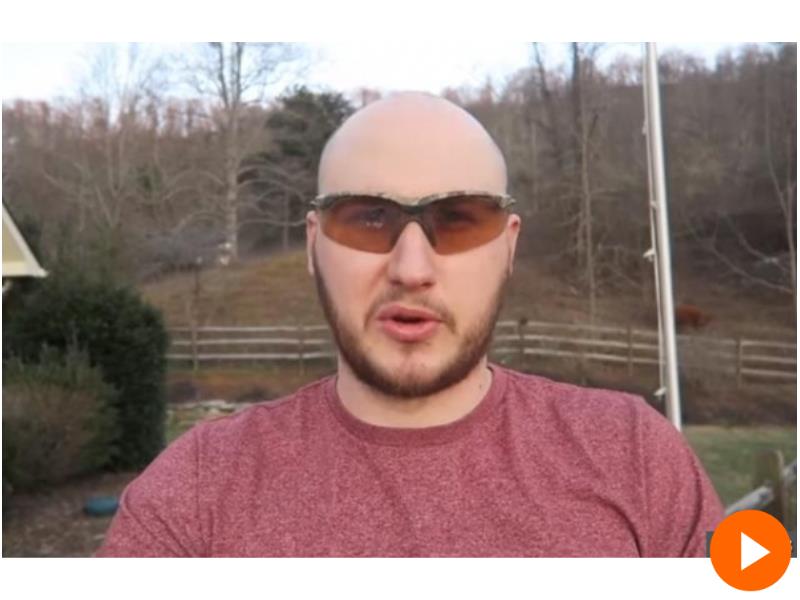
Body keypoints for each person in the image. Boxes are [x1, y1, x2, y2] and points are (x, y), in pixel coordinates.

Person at [96, 91, 725, 557]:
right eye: (368, 218)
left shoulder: (634, 456)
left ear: (508, 246)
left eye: (459, 220)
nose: (411, 269)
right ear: (314, 244)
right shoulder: (196, 493)